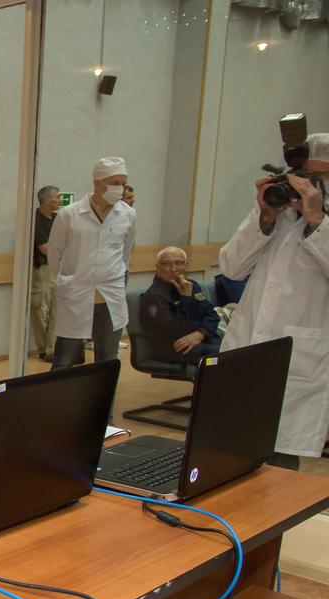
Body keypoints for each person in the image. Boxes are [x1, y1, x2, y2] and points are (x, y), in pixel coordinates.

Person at [218, 132, 329, 469]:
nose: (303, 185)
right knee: (225, 452)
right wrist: (264, 216)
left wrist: (317, 221)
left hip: (298, 358)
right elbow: (231, 267)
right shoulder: (277, 213)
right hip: (247, 347)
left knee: (277, 464)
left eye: (316, 177)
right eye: (299, 175)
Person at [47, 156, 136, 369]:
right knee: (65, 359)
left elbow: (126, 251)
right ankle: (54, 401)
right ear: (98, 182)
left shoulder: (128, 214)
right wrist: (64, 280)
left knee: (107, 360)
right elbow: (54, 252)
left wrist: (114, 273)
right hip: (76, 293)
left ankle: (104, 403)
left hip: (110, 296)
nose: (121, 189)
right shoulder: (70, 214)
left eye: (123, 183)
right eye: (115, 183)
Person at [139, 246, 221, 362]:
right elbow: (175, 331)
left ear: (185, 266)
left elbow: (212, 315)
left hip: (200, 340)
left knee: (236, 349)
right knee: (221, 360)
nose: (174, 269)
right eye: (167, 264)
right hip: (175, 348)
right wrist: (186, 298)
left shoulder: (190, 285)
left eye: (179, 263)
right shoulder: (153, 296)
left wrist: (201, 333)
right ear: (157, 267)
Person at [32, 185, 61, 361]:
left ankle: (53, 348)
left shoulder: (58, 219)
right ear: (46, 200)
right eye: (56, 197)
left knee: (56, 310)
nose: (59, 200)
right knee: (41, 310)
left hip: (58, 269)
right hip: (42, 270)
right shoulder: (35, 220)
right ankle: (44, 349)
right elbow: (44, 249)